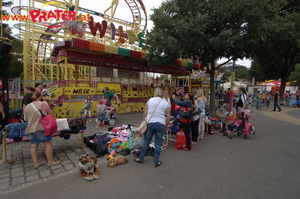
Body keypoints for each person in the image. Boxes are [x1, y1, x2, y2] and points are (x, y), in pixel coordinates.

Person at [134, 87, 170, 167]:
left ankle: (141, 158)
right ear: (161, 93)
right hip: (161, 124)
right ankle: (156, 162)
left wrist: (144, 121)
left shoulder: (150, 100)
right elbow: (168, 116)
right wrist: (166, 125)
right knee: (158, 142)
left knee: (146, 141)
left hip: (150, 123)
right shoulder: (165, 103)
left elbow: (145, 113)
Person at [23, 91, 60, 168]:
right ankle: (50, 161)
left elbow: (25, 119)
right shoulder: (44, 104)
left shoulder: (28, 106)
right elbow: (49, 114)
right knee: (48, 145)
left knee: (33, 146)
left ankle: (36, 163)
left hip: (31, 128)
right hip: (42, 127)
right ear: (40, 97)